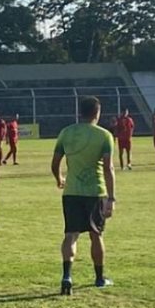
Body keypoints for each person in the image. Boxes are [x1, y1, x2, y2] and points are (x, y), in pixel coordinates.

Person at [51, 96, 115, 295]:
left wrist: (60, 178)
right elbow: (108, 167)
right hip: (95, 192)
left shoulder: (66, 133)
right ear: (97, 113)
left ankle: (67, 275)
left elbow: (55, 163)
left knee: (71, 235)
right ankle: (98, 277)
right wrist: (111, 198)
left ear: (80, 112)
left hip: (71, 192)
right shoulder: (104, 136)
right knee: (96, 235)